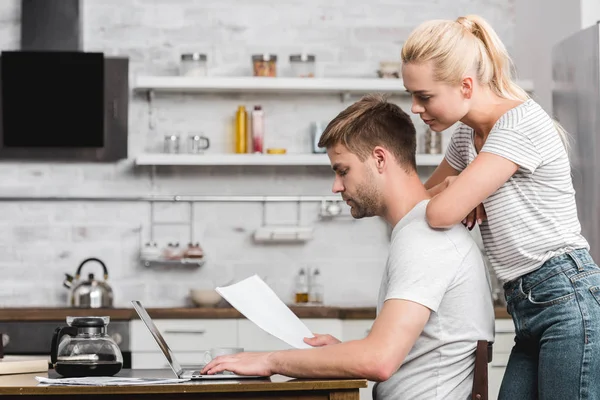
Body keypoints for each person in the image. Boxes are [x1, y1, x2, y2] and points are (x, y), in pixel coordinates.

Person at [202, 94, 494, 399]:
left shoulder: (425, 237)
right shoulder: (419, 231)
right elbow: (411, 352)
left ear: (380, 159)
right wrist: (342, 353)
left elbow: (379, 360)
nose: (336, 187)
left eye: (343, 171)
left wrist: (269, 360)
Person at [401, 14, 600, 400]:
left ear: (465, 85)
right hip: (527, 305)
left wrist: (459, 193)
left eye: (424, 96)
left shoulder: (517, 124)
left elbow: (438, 214)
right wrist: (455, 185)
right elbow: (418, 204)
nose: (414, 108)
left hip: (567, 294)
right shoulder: (468, 135)